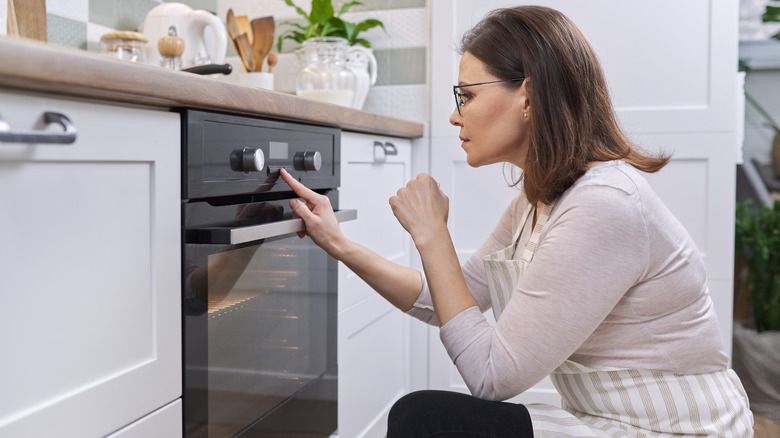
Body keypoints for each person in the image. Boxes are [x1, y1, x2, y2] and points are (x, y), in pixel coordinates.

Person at [280, 5, 754, 437]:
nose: (453, 114)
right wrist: (338, 242)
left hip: (676, 429)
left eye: (465, 95)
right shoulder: (538, 200)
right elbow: (439, 300)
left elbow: (492, 377)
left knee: (424, 419)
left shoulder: (605, 204)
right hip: (604, 420)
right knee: (421, 416)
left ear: (528, 95)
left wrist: (432, 234)